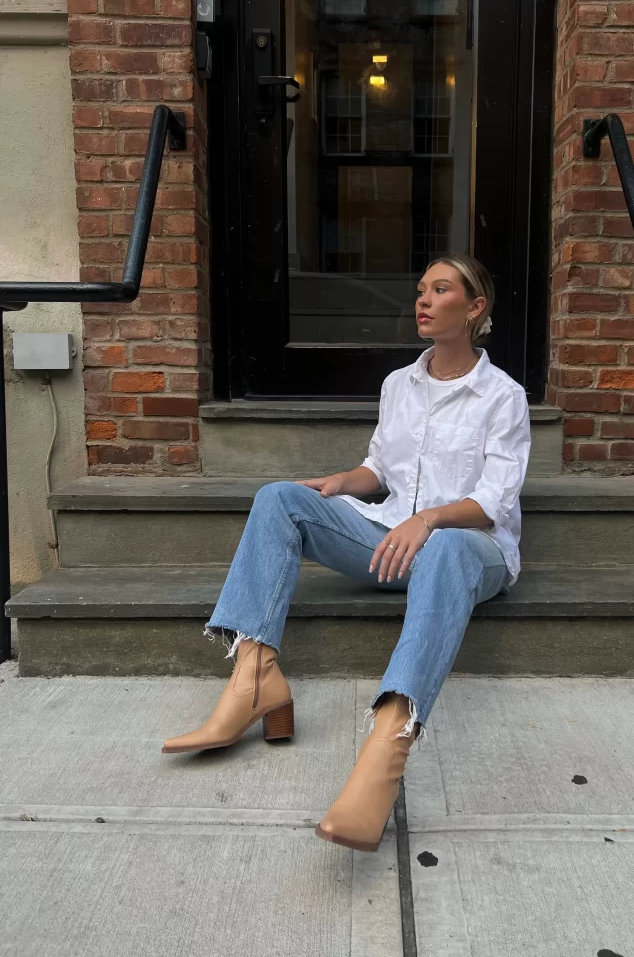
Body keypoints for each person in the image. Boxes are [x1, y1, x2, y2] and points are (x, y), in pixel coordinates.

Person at [162, 252, 531, 853]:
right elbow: (380, 469)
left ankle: (386, 751)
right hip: (391, 540)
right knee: (279, 498)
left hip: (471, 550)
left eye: (440, 290)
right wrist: (338, 483)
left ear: (475, 308)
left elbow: (494, 500)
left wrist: (430, 520)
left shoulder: (503, 397)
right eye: (420, 291)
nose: (424, 300)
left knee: (442, 550)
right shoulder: (398, 386)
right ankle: (254, 680)